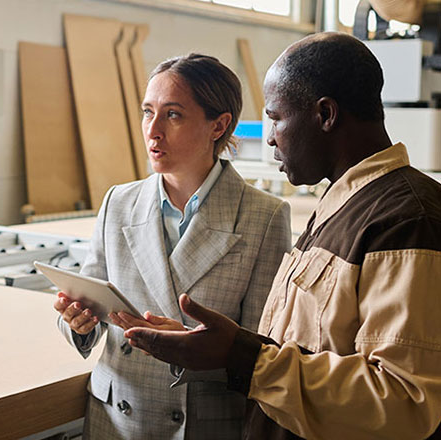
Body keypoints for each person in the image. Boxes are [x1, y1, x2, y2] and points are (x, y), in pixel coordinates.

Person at [118, 32, 441, 439]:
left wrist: (242, 356)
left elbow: (404, 401)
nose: (269, 137)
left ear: (325, 115)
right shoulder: (342, 204)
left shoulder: (406, 219)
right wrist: (217, 347)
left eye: (276, 117)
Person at [53, 54, 292, 439]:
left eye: (173, 115)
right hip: (116, 418)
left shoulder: (263, 217)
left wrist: (189, 350)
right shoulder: (119, 202)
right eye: (148, 112)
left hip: (203, 423)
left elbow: (262, 353)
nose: (153, 131)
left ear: (219, 125)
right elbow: (90, 302)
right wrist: (78, 322)